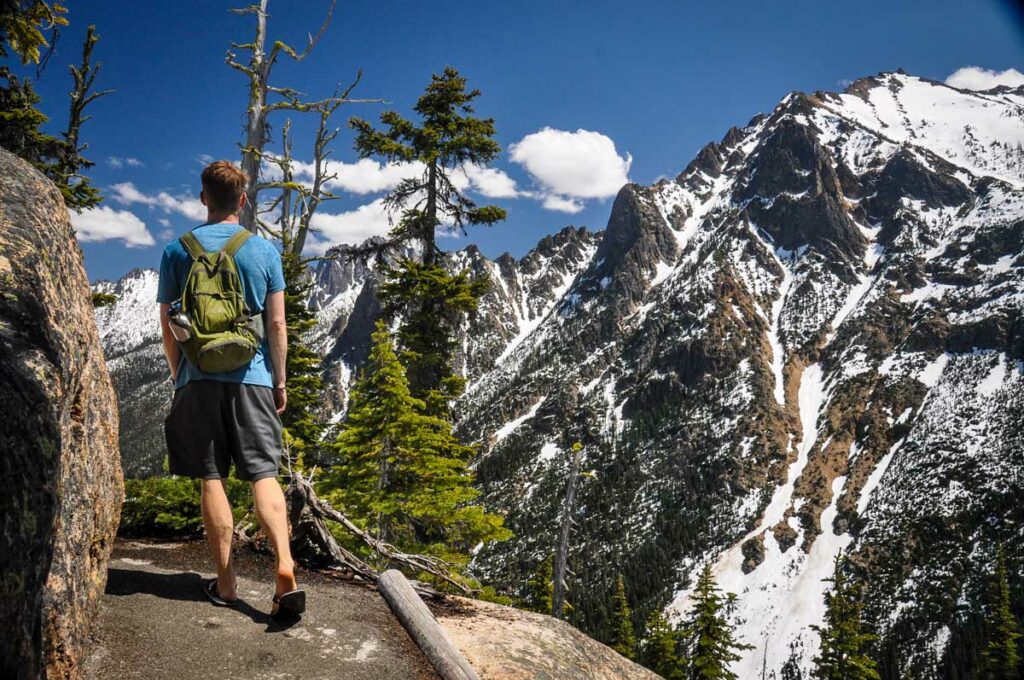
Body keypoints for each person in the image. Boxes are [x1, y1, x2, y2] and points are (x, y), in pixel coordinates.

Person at [156, 160, 304, 620]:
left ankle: (225, 583)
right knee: (264, 474)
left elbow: (167, 325)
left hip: (197, 378)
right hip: (253, 378)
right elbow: (277, 324)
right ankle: (284, 564)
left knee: (211, 476)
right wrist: (279, 380)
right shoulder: (263, 252)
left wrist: (181, 372)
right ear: (242, 200)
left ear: (204, 198)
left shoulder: (177, 251)